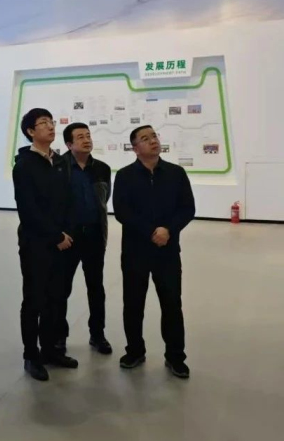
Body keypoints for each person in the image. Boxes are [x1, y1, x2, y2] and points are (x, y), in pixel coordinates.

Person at [113, 125, 195, 379]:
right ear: (135, 148)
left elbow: (187, 208)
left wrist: (168, 230)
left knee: (172, 304)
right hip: (135, 252)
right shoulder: (125, 176)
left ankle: (175, 356)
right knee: (133, 304)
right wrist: (152, 231)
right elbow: (122, 211)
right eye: (145, 139)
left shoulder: (176, 173)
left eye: (154, 136)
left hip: (167, 251)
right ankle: (135, 351)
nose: (153, 141)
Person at [12, 108, 79, 383]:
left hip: (63, 242)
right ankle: (31, 355)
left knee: (57, 298)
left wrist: (67, 234)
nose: (51, 126)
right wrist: (55, 236)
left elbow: (70, 201)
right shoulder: (24, 165)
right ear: (30, 131)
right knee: (35, 300)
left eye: (51, 122)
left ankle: (51, 349)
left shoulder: (61, 162)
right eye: (43, 123)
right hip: (37, 243)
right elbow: (28, 210)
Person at [58, 123, 113, 355]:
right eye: (80, 137)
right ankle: (58, 337)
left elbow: (104, 199)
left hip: (94, 235)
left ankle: (97, 334)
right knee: (61, 289)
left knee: (96, 288)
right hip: (67, 237)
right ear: (69, 144)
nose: (86, 140)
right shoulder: (59, 167)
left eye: (88, 136)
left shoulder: (102, 168)